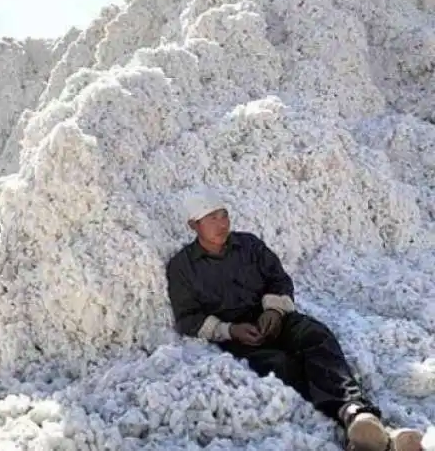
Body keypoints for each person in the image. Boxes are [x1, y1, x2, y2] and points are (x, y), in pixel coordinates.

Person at [166, 189, 424, 451]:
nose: (223, 224)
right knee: (280, 364)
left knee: (315, 335)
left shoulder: (250, 245)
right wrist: (230, 330)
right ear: (193, 225)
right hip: (239, 337)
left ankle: (356, 413)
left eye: (224, 215)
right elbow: (188, 318)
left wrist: (274, 310)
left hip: (272, 318)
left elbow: (279, 279)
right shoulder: (182, 267)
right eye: (212, 218)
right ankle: (360, 430)